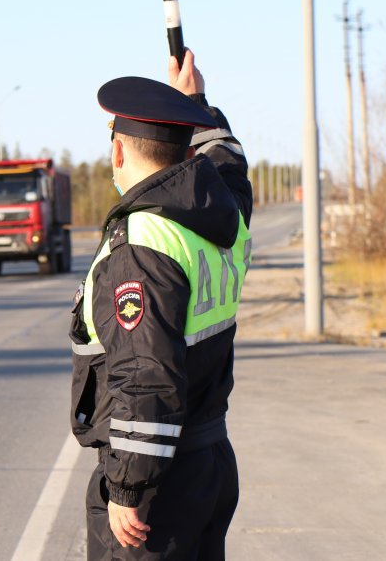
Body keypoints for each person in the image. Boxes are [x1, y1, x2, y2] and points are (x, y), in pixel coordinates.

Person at [69, 49, 253, 560]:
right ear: (188, 155)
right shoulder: (219, 219)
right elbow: (231, 175)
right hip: (210, 461)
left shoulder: (143, 242)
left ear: (119, 152)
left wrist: (128, 489)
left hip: (159, 486)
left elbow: (146, 374)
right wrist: (199, 106)